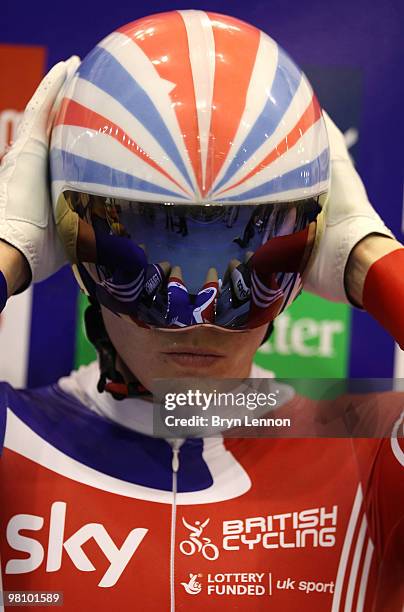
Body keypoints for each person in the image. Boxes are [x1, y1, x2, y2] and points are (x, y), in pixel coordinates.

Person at [0, 10, 402, 611]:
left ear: (311, 250)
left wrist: (368, 256)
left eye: (255, 260)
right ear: (70, 245)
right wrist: (8, 246)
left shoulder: (366, 445)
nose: (199, 316)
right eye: (144, 263)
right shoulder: (12, 443)